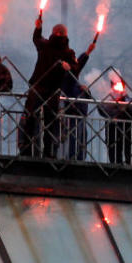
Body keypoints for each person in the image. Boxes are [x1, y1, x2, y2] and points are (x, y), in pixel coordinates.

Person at [21, 19, 94, 158]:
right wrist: (38, 28)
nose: (60, 34)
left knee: (43, 118)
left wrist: (70, 67)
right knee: (36, 117)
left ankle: (39, 149)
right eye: (59, 32)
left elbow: (75, 69)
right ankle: (37, 150)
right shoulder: (51, 47)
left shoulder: (61, 50)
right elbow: (37, 38)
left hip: (46, 87)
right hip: (42, 86)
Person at [97, 79, 132, 165]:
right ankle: (115, 169)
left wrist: (126, 108)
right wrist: (116, 107)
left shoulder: (130, 100)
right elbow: (102, 110)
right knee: (114, 154)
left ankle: (131, 170)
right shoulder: (108, 99)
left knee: (130, 152)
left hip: (128, 131)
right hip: (112, 131)